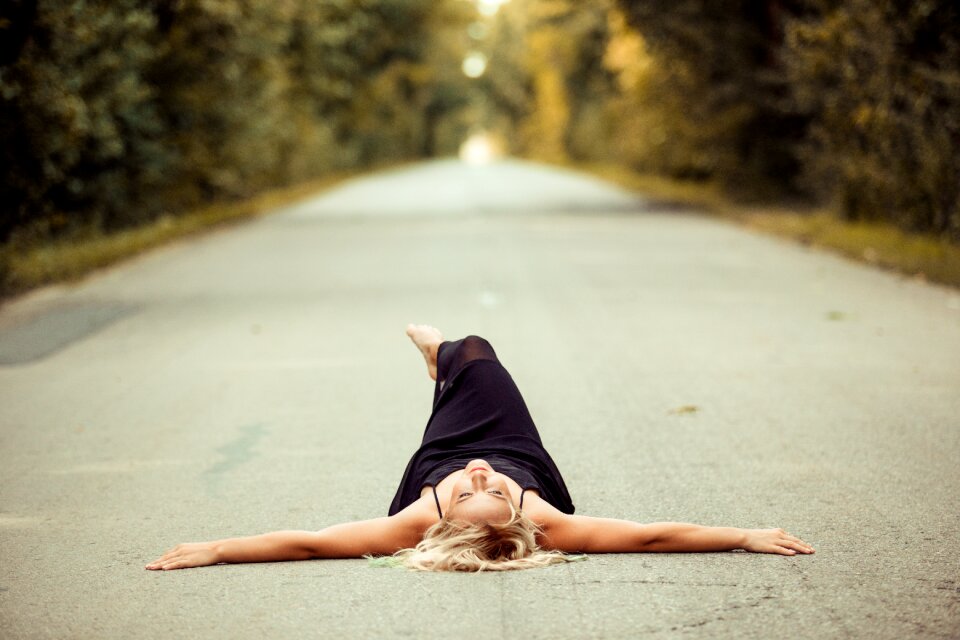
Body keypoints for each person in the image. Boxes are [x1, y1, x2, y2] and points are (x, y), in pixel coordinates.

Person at [146, 324, 814, 572]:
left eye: (472, 492)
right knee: (480, 353)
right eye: (491, 492)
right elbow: (647, 538)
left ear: (440, 517)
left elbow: (313, 543)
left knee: (459, 359)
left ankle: (441, 365)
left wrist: (219, 548)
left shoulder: (416, 519)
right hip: (517, 440)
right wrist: (744, 535)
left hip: (428, 457)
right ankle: (449, 360)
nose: (479, 475)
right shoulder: (546, 522)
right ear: (520, 515)